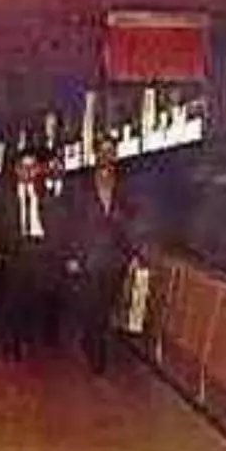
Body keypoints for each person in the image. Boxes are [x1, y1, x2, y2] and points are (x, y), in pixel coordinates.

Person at [0, 150, 67, 360]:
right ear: (16, 170)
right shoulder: (3, 195)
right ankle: (11, 343)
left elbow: (58, 225)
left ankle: (32, 339)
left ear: (39, 170)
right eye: (24, 167)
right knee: (13, 298)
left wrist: (58, 251)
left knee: (36, 298)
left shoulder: (46, 195)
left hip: (41, 250)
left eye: (33, 167)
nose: (28, 172)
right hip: (14, 249)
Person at [68, 150, 134, 374]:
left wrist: (132, 255)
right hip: (89, 258)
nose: (107, 157)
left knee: (106, 306)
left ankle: (93, 340)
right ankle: (96, 351)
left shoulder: (124, 188)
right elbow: (73, 223)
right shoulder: (81, 187)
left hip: (115, 259)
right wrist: (74, 256)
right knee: (91, 304)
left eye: (111, 153)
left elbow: (131, 225)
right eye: (103, 152)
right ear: (96, 156)